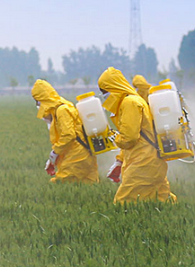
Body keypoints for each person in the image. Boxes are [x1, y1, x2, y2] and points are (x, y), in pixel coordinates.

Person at [97, 67, 176, 204]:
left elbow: (129, 138)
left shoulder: (130, 103)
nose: (104, 96)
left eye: (105, 92)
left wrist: (115, 137)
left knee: (124, 203)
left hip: (144, 162)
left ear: (114, 88)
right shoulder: (130, 102)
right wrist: (119, 161)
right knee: (161, 200)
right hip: (149, 160)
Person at [31, 79, 99, 184]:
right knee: (88, 186)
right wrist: (53, 160)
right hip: (82, 154)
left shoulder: (62, 110)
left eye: (37, 101)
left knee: (60, 184)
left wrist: (54, 153)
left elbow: (68, 135)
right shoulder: (59, 109)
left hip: (77, 157)